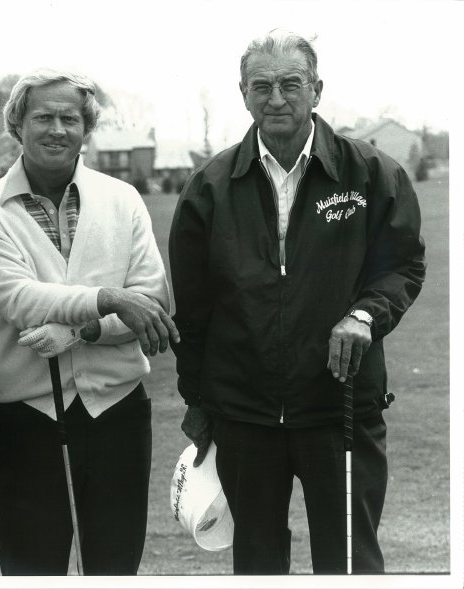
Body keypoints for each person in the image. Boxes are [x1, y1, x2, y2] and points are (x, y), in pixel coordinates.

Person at [169, 31, 426, 574]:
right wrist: (198, 401)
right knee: (259, 564)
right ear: (243, 94)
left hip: (342, 409)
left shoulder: (371, 174)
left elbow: (402, 265)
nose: (277, 98)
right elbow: (192, 311)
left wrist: (364, 315)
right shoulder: (209, 187)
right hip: (244, 417)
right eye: (262, 86)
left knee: (350, 561)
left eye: (291, 83)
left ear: (317, 90)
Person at [0, 69, 178, 576]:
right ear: (17, 124)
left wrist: (82, 330)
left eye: (70, 119)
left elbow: (152, 299)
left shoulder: (121, 199)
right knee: (32, 567)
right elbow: (18, 298)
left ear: (86, 128)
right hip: (29, 418)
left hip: (119, 412)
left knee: (115, 565)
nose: (57, 129)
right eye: (43, 117)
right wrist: (109, 298)